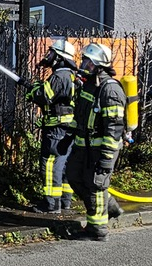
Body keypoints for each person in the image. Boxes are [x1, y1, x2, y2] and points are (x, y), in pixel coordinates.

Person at [65, 42, 126, 241]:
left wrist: (106, 158)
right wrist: (68, 137)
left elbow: (114, 129)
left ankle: (97, 230)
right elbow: (79, 116)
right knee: (74, 177)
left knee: (96, 186)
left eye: (88, 62)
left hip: (101, 149)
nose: (83, 64)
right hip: (83, 147)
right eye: (83, 60)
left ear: (99, 66)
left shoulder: (110, 91)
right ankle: (109, 205)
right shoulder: (89, 86)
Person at [24, 40, 80, 214]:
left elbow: (43, 97)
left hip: (56, 130)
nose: (48, 56)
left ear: (60, 57)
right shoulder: (71, 76)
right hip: (68, 128)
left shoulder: (59, 76)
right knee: (64, 165)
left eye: (52, 53)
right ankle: (65, 202)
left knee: (49, 165)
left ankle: (51, 204)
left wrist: (32, 91)